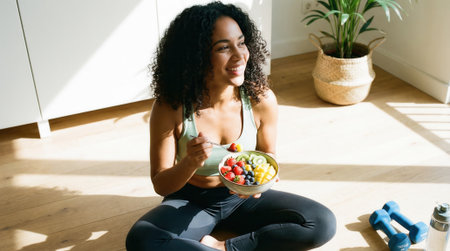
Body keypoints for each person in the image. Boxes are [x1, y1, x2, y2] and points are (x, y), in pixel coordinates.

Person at [125, 2, 336, 250]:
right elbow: (161, 183)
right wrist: (190, 162)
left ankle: (226, 247)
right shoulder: (170, 107)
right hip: (191, 201)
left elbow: (268, 155)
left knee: (321, 222)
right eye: (224, 47)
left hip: (242, 198)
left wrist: (260, 182)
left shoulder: (261, 99)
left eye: (242, 42)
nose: (239, 55)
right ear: (196, 57)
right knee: (141, 239)